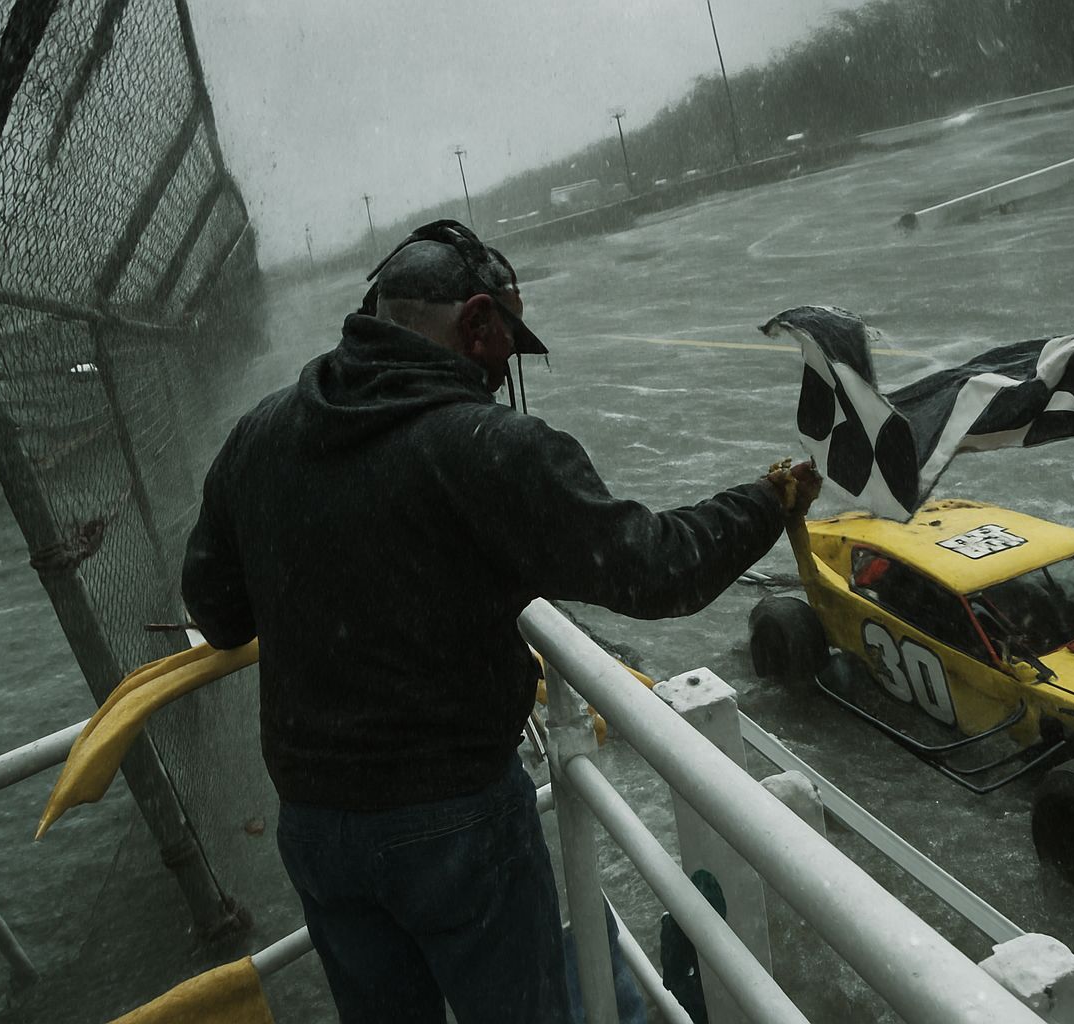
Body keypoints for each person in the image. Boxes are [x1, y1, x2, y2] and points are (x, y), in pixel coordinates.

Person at [181, 219, 820, 1024]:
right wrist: (767, 501)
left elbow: (219, 613)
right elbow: (658, 570)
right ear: (477, 322)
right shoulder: (487, 447)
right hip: (456, 826)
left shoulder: (260, 435)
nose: (501, 371)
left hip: (317, 826)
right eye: (505, 346)